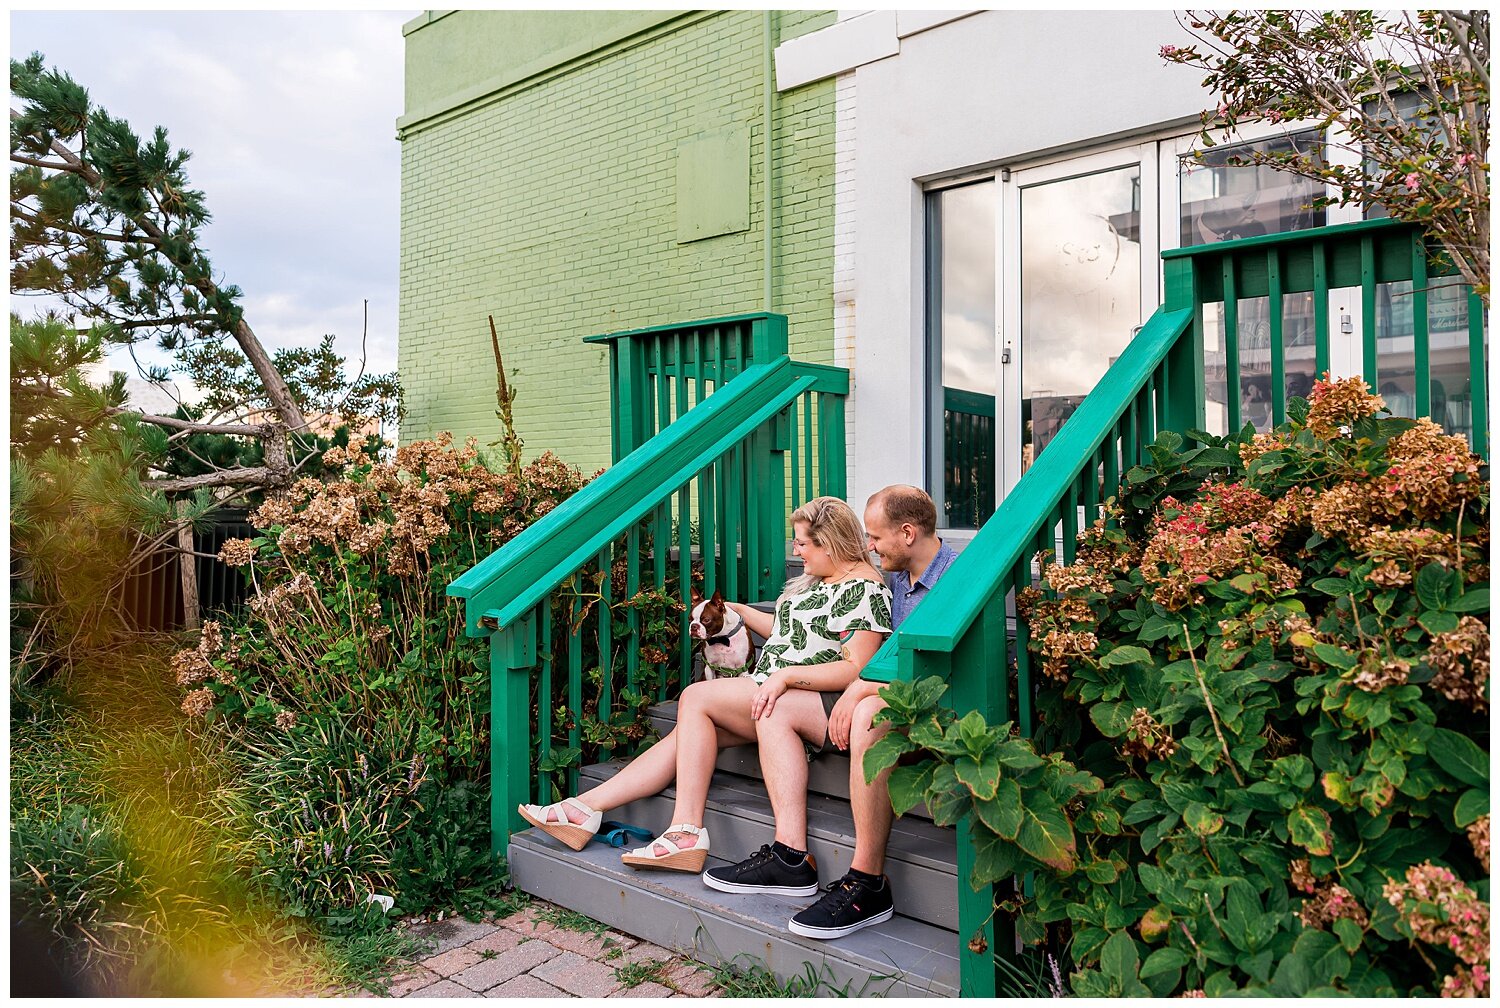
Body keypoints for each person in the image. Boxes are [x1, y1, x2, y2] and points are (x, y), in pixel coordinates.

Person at [519, 496, 892, 876]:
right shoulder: (819, 580)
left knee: (696, 696)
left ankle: (685, 831)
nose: (795, 551)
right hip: (768, 689)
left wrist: (783, 677)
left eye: (801, 543)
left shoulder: (863, 588)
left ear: (828, 543)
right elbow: (789, 635)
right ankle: (585, 809)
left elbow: (855, 666)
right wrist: (743, 612)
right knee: (690, 732)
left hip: (802, 698)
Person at [705, 485, 958, 941]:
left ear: (907, 533)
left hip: (941, 703)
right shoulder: (895, 576)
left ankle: (868, 882)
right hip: (892, 692)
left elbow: (925, 664)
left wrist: (858, 689)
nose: (869, 547)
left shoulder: (956, 577)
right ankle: (790, 856)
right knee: (776, 708)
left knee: (866, 714)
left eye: (875, 538)